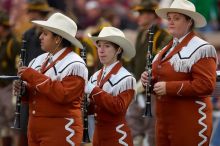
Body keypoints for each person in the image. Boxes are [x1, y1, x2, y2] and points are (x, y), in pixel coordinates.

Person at [140, 0, 218, 146]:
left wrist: (168, 87)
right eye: (169, 18)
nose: (170, 22)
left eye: (176, 18)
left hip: (190, 122)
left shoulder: (202, 48)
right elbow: (160, 80)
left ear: (189, 21)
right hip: (164, 122)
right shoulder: (165, 49)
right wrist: (148, 81)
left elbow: (207, 85)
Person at [14, 12, 88, 146]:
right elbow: (37, 93)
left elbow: (63, 95)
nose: (40, 37)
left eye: (45, 34)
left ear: (57, 39)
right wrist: (23, 90)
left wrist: (32, 75)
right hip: (35, 129)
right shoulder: (39, 60)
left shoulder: (75, 64)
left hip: (63, 129)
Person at [125, 1, 171, 146]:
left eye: (143, 13)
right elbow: (136, 59)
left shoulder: (163, 35)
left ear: (153, 15)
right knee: (134, 119)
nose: (140, 17)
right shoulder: (141, 34)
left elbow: (159, 61)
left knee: (152, 126)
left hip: (153, 86)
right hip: (139, 83)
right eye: (139, 13)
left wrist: (145, 82)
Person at [85, 26, 136, 146]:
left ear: (118, 50)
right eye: (99, 46)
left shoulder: (127, 78)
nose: (101, 50)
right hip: (97, 136)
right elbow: (93, 109)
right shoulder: (95, 76)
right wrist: (86, 105)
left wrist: (93, 90)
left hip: (118, 137)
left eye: (107, 46)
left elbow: (118, 107)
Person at [17, 1, 53, 146]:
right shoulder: (27, 34)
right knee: (25, 121)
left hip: (44, 79)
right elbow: (22, 58)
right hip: (29, 80)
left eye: (33, 12)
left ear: (41, 15)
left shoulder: (50, 34)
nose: (30, 15)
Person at [0, 10, 20, 146]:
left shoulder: (13, 43)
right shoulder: (2, 42)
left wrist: (15, 88)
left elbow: (19, 68)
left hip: (9, 86)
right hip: (1, 86)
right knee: (3, 124)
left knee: (12, 122)